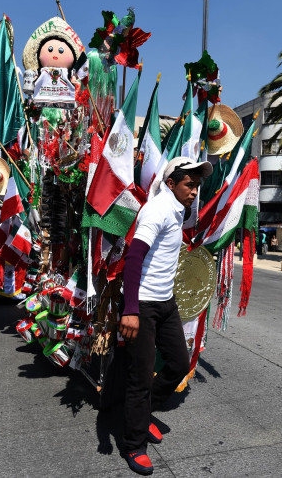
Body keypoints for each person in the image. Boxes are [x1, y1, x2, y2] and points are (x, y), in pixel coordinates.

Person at [120, 157, 213, 475]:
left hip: (165, 302)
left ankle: (142, 413)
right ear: (171, 183)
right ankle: (133, 444)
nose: (194, 191)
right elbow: (134, 258)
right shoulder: (158, 209)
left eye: (197, 186)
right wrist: (130, 309)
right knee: (141, 377)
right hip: (143, 305)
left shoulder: (177, 210)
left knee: (177, 364)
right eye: (189, 184)